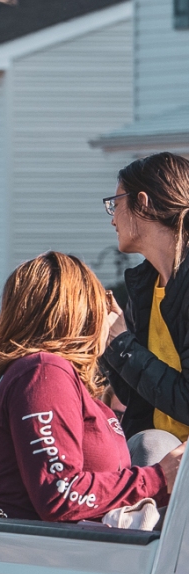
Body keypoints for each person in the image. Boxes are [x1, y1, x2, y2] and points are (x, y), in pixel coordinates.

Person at [0, 252, 182, 523]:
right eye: (103, 300)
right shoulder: (44, 371)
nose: (109, 312)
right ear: (80, 310)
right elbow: (61, 495)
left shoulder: (47, 374)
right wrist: (159, 478)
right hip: (44, 547)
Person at [100, 153, 189, 438]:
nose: (113, 219)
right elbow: (136, 396)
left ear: (142, 202)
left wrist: (123, 344)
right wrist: (110, 343)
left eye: (116, 204)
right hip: (160, 454)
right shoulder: (144, 286)